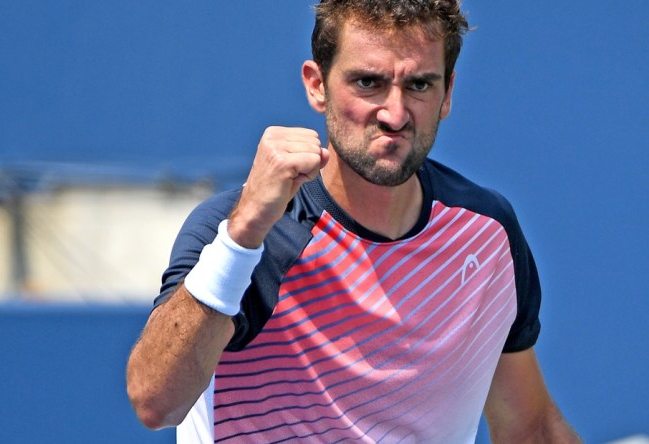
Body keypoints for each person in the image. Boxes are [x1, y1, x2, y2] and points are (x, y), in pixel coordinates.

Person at [127, 1, 580, 442]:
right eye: (368, 82)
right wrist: (244, 232)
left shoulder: (487, 234)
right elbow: (157, 404)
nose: (395, 114)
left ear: (448, 94)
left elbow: (529, 428)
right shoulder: (239, 233)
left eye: (420, 85)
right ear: (317, 85)